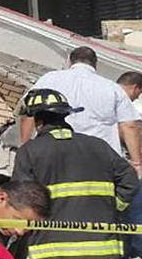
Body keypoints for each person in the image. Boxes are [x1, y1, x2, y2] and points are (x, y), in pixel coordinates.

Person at [12, 88, 138, 259]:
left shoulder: (29, 152)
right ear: (65, 116)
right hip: (98, 240)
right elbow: (130, 179)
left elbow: (21, 196)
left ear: (38, 121)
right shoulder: (97, 146)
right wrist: (113, 210)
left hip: (52, 241)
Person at [19, 46, 142, 177]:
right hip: (99, 159)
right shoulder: (112, 88)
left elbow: (28, 115)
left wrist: (25, 151)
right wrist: (137, 164)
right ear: (95, 65)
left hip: (55, 154)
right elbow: (129, 126)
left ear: (70, 62)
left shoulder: (48, 79)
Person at [118, 72, 142, 258]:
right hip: (127, 167)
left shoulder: (104, 94)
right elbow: (129, 129)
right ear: (136, 88)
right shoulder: (128, 105)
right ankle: (133, 252)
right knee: (134, 209)